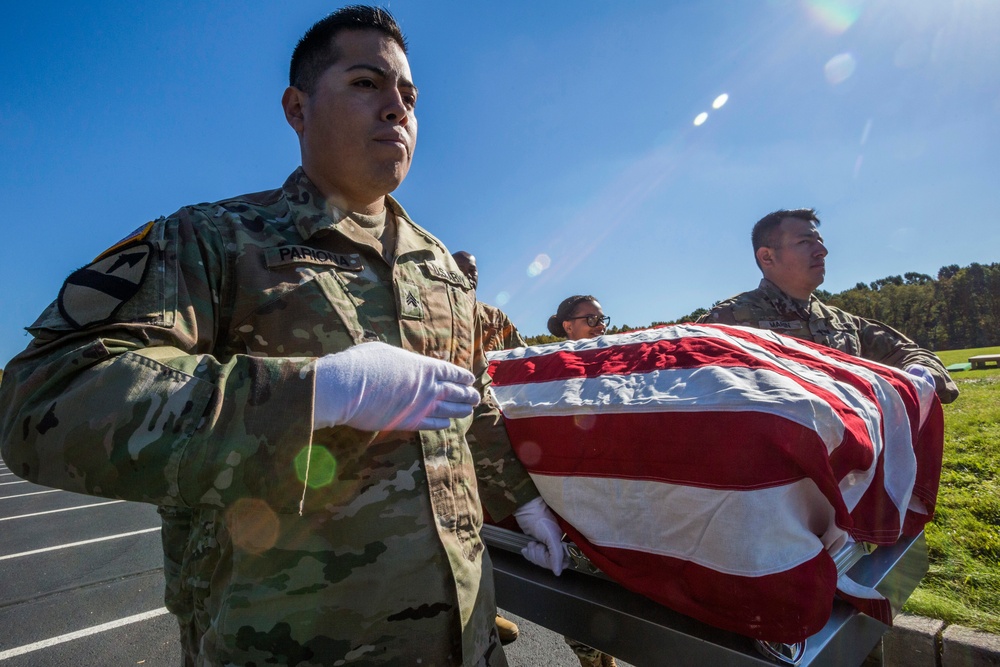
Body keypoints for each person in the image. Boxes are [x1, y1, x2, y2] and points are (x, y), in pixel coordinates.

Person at [0, 7, 566, 666]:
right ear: (297, 108)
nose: (396, 108)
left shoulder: (439, 267)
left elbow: (469, 402)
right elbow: (45, 394)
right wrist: (313, 393)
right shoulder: (213, 241)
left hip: (465, 645)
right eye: (366, 83)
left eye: (409, 95)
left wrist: (521, 503)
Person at [696, 208, 959, 403]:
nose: (822, 250)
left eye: (820, 241)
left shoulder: (844, 324)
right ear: (767, 256)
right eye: (805, 242)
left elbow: (912, 353)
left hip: (850, 467)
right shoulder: (727, 322)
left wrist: (920, 376)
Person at [452, 250, 526, 645]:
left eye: (473, 271)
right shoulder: (437, 311)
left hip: (496, 425)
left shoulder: (496, 320)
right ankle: (487, 610)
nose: (468, 276)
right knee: (467, 528)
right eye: (460, 269)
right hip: (458, 435)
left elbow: (522, 364)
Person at [546, 295, 617, 667]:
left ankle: (607, 656)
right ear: (567, 325)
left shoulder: (614, 363)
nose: (600, 324)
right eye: (590, 318)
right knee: (580, 592)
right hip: (572, 501)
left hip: (613, 496)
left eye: (603, 318)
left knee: (615, 592)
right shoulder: (551, 371)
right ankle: (590, 659)